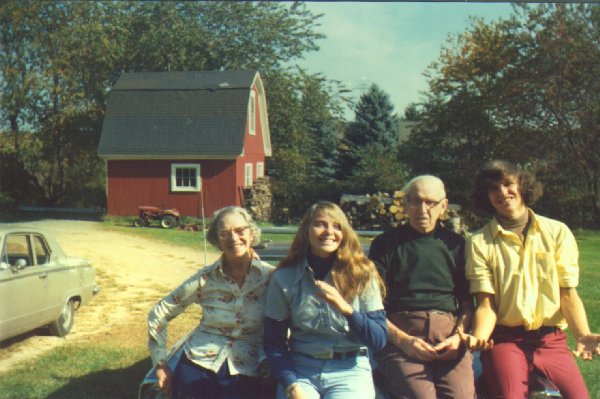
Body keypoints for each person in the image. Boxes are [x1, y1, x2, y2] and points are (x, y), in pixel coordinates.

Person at [461, 160, 600, 399]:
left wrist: (583, 335)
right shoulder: (479, 242)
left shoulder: (557, 232)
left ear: (522, 185)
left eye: (507, 184)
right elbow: (486, 305)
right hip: (506, 341)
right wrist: (480, 337)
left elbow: (568, 294)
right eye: (493, 189)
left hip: (552, 341)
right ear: (486, 197)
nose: (503, 193)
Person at [263, 201, 387, 399]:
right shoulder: (284, 278)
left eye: (337, 226)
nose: (329, 232)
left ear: (345, 233)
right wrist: (290, 384)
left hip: (350, 370)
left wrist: (347, 309)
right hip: (302, 369)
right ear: (306, 230)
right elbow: (273, 341)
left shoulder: (362, 273)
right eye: (320, 224)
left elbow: (378, 339)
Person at [147, 206, 275, 399]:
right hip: (197, 363)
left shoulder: (270, 277)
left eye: (240, 231)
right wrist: (161, 364)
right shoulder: (205, 279)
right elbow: (159, 312)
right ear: (216, 239)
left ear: (251, 234)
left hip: (247, 368)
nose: (233, 238)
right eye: (224, 233)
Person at [368, 175, 474, 399]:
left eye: (430, 203)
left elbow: (467, 304)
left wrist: (458, 337)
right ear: (405, 204)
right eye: (415, 201)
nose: (422, 209)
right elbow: (372, 306)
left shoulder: (455, 245)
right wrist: (403, 341)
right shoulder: (385, 245)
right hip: (402, 337)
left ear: (443, 206)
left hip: (449, 337)